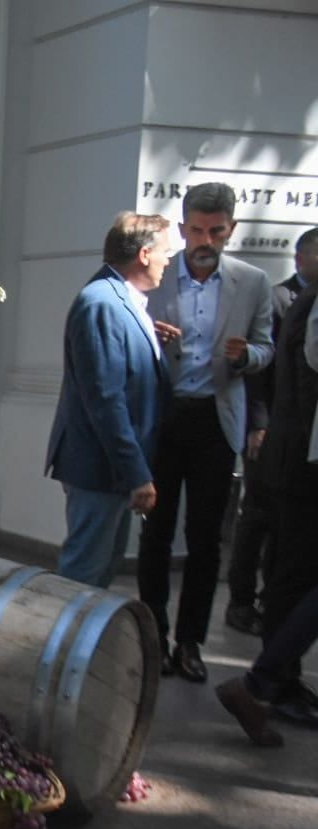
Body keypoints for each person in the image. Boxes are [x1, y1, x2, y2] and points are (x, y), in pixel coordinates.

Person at [140, 182, 274, 682]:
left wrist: (247, 356)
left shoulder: (252, 282)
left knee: (206, 538)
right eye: (197, 230)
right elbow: (132, 336)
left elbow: (267, 347)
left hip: (216, 421)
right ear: (182, 229)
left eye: (216, 232)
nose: (205, 240)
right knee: (156, 531)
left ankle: (191, 642)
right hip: (165, 416)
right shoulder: (156, 276)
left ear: (230, 230)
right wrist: (151, 338)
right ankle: (153, 633)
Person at [46, 213, 172, 587]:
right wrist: (136, 473)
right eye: (166, 252)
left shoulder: (121, 301)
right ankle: (63, 631)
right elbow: (105, 398)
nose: (169, 261)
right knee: (82, 578)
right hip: (100, 469)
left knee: (99, 574)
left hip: (110, 470)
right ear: (144, 254)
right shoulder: (102, 303)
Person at [216, 281, 318, 743]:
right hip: (304, 463)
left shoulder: (307, 302)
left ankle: (267, 684)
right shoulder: (308, 305)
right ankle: (267, 685)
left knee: (293, 576)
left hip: (299, 459)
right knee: (292, 577)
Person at [224, 228, 318, 635]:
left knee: (285, 530)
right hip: (274, 433)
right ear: (300, 258)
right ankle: (243, 600)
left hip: (297, 440)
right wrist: (259, 424)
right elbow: (263, 372)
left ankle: (270, 601)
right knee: (258, 517)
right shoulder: (284, 300)